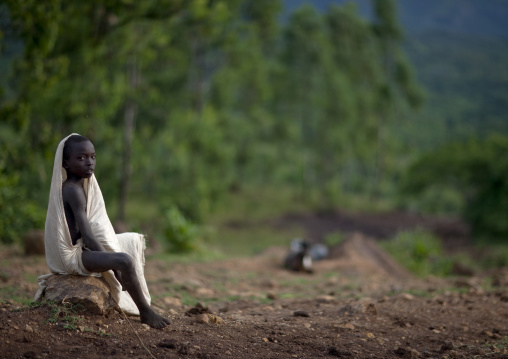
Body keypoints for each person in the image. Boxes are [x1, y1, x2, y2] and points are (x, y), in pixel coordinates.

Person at [35, 134, 170, 329]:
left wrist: (108, 259)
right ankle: (145, 312)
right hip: (72, 257)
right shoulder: (72, 190)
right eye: (81, 158)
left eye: (92, 157)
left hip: (81, 248)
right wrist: (114, 268)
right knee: (124, 260)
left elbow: (88, 234)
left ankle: (140, 301)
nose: (89, 163)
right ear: (65, 162)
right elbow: (89, 237)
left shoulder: (79, 186)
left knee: (129, 240)